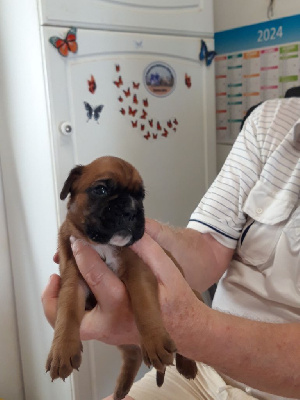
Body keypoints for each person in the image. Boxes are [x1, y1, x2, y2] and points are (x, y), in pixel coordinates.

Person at [42, 97, 300, 400]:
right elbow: (209, 245)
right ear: (70, 191)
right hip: (209, 367)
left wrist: (190, 332)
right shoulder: (270, 120)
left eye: (137, 198)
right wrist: (156, 238)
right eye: (101, 190)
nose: (128, 209)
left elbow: (182, 316)